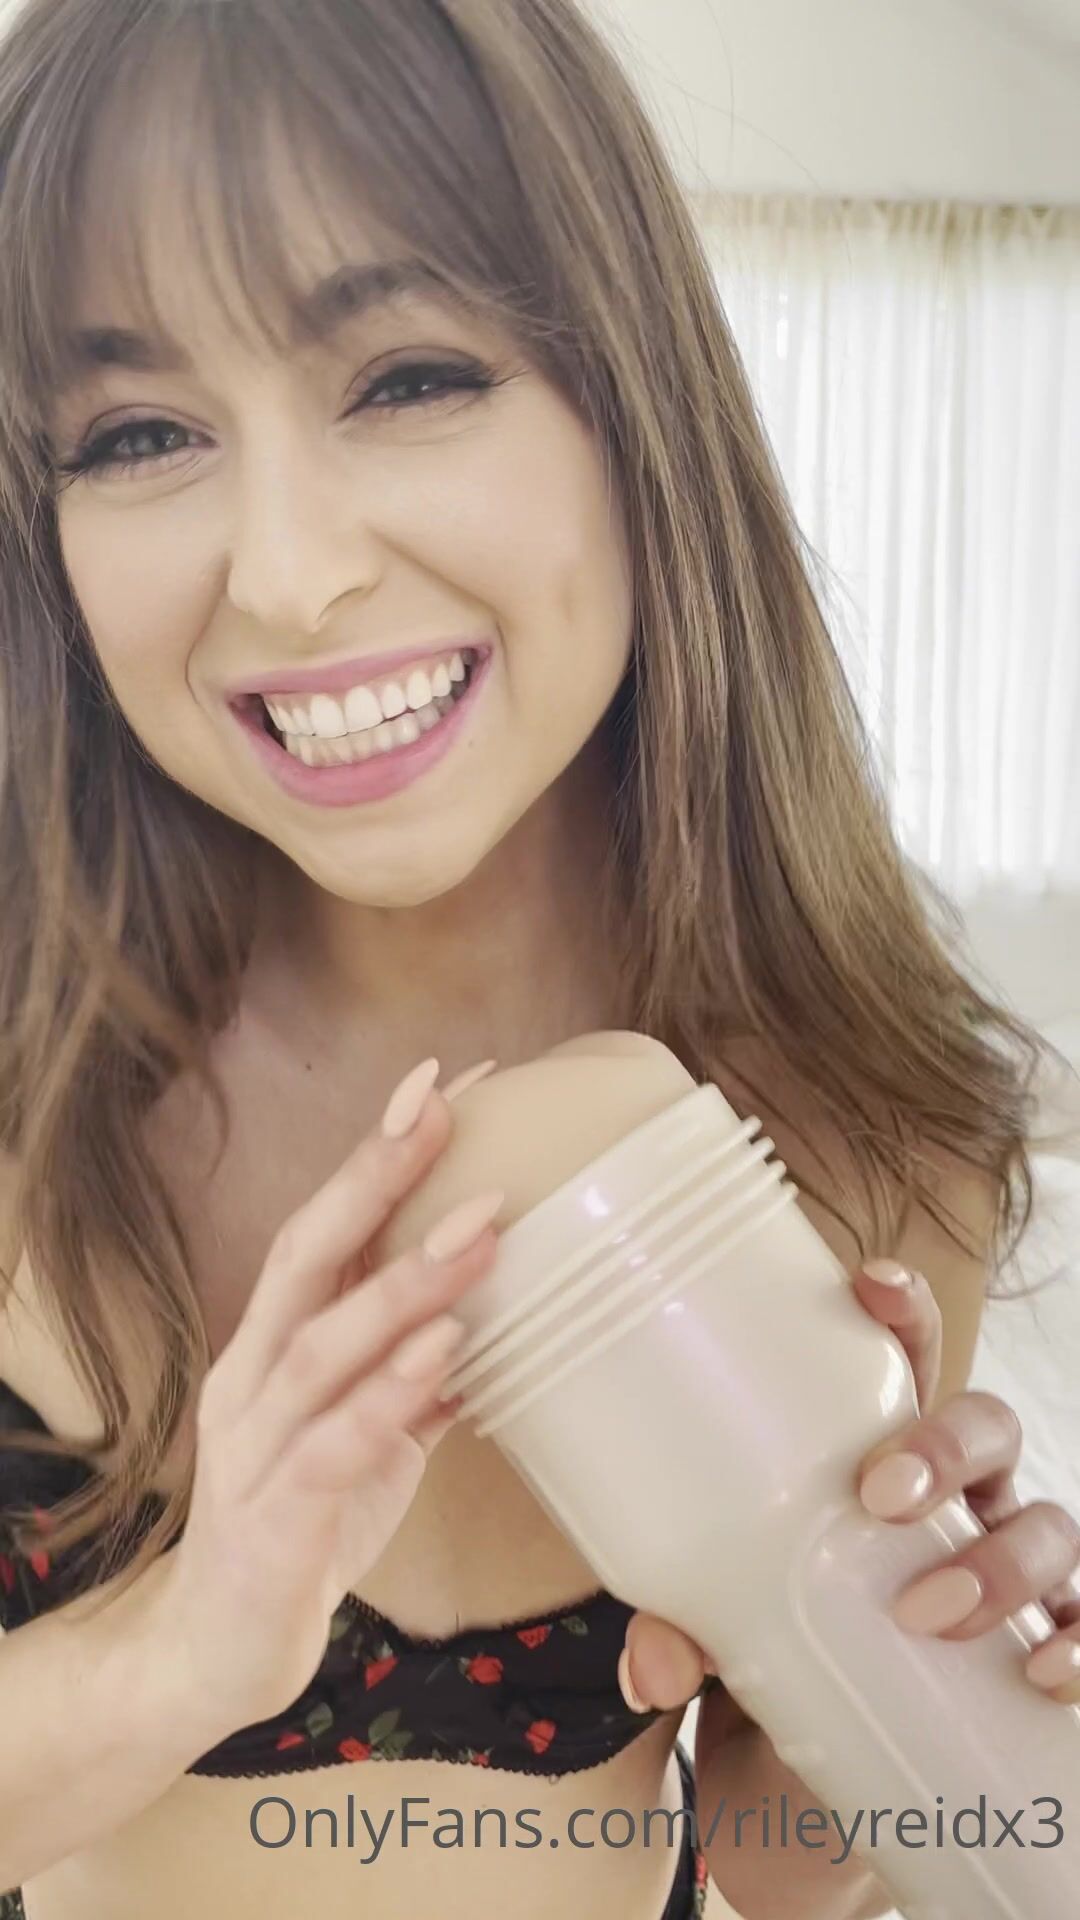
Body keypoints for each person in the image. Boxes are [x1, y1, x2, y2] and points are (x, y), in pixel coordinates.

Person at [0, 1, 1077, 1916]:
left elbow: (776, 1873)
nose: (288, 576)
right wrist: (185, 1646)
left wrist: (890, 1694)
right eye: (142, 432)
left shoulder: (870, 1132)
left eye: (408, 377)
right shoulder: (26, 1078)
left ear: (635, 409)